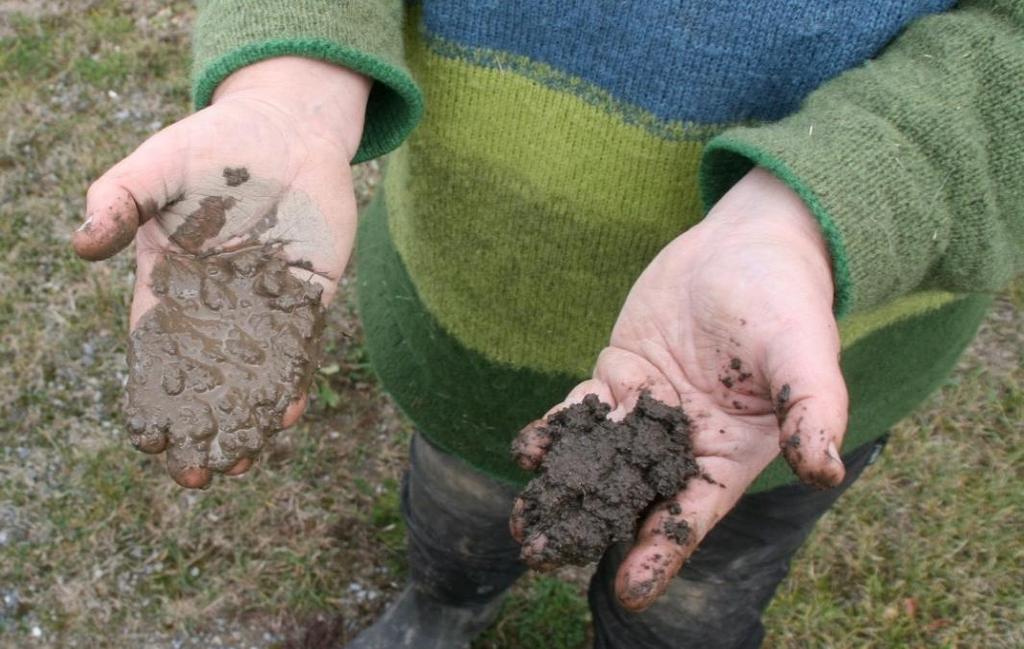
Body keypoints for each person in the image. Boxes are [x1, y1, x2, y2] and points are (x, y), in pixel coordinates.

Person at [72, 2, 1023, 647]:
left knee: (694, 594)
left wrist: (820, 210)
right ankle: (442, 607)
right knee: (458, 516)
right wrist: (289, 78)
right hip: (468, 307)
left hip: (774, 378)